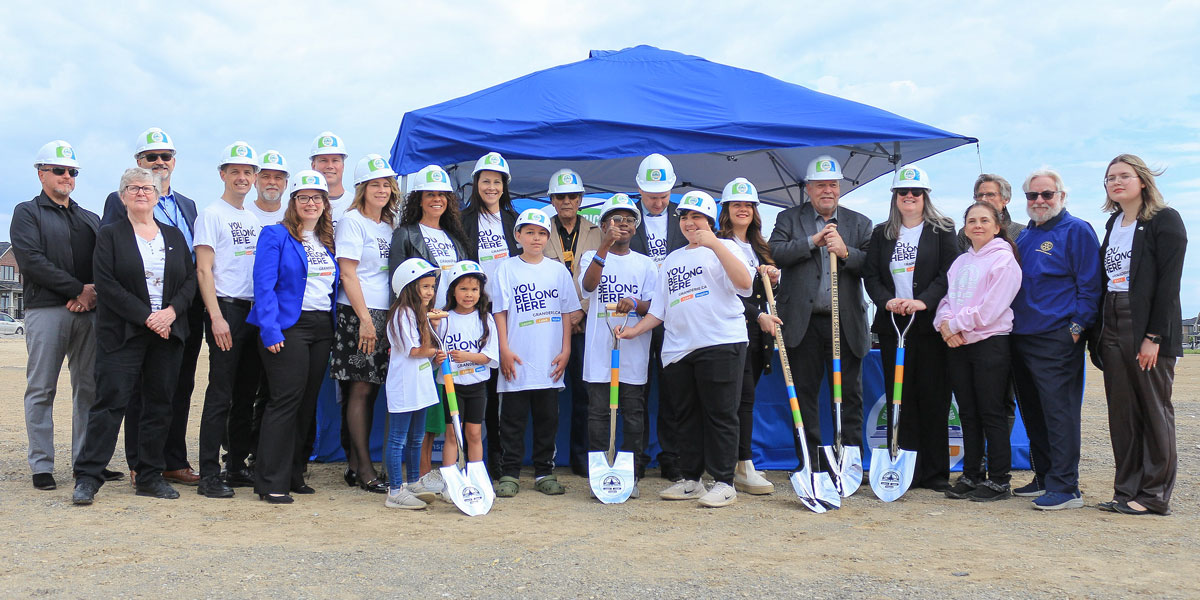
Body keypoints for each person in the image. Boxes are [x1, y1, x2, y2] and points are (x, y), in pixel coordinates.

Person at [617, 191, 753, 508]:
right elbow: (660, 310)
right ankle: (692, 479)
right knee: (686, 417)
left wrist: (715, 244)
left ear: (709, 220)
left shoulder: (727, 247)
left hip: (720, 342)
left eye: (697, 217)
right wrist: (634, 330)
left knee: (720, 415)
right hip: (678, 349)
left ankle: (724, 481)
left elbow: (745, 284)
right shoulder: (673, 259)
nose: (690, 223)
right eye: (685, 217)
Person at [71, 167, 196, 504]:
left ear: (157, 195)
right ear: (122, 195)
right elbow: (107, 284)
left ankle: (149, 475)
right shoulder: (110, 234)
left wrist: (170, 313)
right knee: (110, 403)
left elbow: (190, 280)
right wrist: (147, 317)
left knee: (159, 405)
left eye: (147, 188)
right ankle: (88, 476)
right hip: (124, 333)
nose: (141, 193)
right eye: (133, 188)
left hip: (167, 333)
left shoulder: (173, 236)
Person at [100, 128, 202, 486]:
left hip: (183, 309)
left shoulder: (187, 205)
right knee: (139, 392)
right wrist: (147, 314)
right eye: (151, 157)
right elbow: (114, 258)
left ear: (174, 161)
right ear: (138, 162)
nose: (160, 163)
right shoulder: (122, 201)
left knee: (177, 387)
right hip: (140, 314)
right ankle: (140, 464)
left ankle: (172, 460)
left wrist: (176, 308)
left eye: (166, 156)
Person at [11, 140, 113, 491]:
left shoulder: (90, 218)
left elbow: (106, 260)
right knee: (42, 388)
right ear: (42, 173)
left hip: (89, 313)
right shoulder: (27, 212)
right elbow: (31, 261)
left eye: (72, 171)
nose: (67, 176)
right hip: (47, 312)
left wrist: (94, 292)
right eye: (59, 170)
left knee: (89, 389)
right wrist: (77, 290)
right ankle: (42, 465)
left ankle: (85, 463)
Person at [767, 155, 872, 474]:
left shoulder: (859, 223)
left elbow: (871, 264)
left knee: (849, 395)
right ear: (808, 189)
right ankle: (810, 464)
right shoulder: (788, 219)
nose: (827, 190)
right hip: (803, 323)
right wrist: (813, 242)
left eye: (833, 185)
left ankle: (850, 461)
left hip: (845, 322)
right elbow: (776, 253)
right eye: (820, 185)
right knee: (804, 395)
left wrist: (845, 252)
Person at [1095, 154, 1186, 516]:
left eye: (1124, 176)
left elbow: (1169, 285)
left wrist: (1155, 336)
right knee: (1123, 412)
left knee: (1153, 408)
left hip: (1146, 322)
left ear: (1142, 181)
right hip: (1112, 319)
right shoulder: (1112, 223)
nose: (1116, 182)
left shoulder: (1165, 221)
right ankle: (1126, 490)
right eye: (1110, 178)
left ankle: (1153, 495)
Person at [1010, 168, 1101, 511]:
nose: (1039, 201)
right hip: (1021, 335)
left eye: (1047, 194)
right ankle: (1045, 475)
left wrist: (1077, 328)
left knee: (1059, 412)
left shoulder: (1076, 230)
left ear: (1062, 196)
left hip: (1056, 336)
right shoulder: (1024, 236)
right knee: (1033, 411)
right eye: (1033, 196)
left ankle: (1067, 487)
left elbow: (1090, 284)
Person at [864, 165, 959, 492]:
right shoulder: (882, 233)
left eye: (915, 192)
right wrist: (886, 300)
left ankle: (934, 473)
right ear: (895, 197)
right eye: (902, 192)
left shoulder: (943, 229)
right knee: (899, 397)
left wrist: (924, 301)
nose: (909, 197)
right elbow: (871, 275)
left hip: (929, 324)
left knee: (934, 396)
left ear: (925, 196)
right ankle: (907, 467)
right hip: (894, 324)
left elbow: (949, 272)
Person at [247, 170, 339, 504]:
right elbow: (264, 285)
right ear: (293, 202)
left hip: (321, 327)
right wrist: (270, 329)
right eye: (304, 197)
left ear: (325, 203)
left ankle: (294, 473)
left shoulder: (327, 240)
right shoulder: (275, 235)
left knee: (306, 403)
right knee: (284, 401)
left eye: (317, 198)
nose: (311, 203)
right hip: (288, 327)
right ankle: (270, 480)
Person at [389, 164, 468, 497]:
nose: (437, 199)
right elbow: (399, 284)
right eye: (430, 194)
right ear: (418, 199)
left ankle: (419, 480)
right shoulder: (406, 233)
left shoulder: (454, 236)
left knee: (432, 405)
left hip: (449, 325)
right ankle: (407, 479)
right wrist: (424, 320)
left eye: (442, 194)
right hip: (422, 328)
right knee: (414, 410)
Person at [934, 202, 1022, 501]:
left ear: (997, 226)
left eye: (985, 220)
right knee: (968, 413)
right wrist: (944, 326)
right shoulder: (960, 263)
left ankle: (999, 479)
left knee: (991, 412)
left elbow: (991, 308)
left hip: (990, 343)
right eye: (972, 221)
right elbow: (947, 300)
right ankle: (972, 474)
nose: (978, 225)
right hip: (958, 345)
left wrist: (957, 325)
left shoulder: (1004, 261)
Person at [492, 209, 583, 497]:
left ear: (549, 237)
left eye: (542, 233)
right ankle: (510, 473)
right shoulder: (506, 269)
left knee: (547, 421)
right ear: (517, 236)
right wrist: (503, 349)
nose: (536, 238)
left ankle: (545, 471)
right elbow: (500, 313)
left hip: (550, 361)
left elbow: (569, 314)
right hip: (517, 360)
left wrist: (566, 350)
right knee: (512, 422)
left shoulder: (558, 271)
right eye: (529, 232)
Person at [193, 141, 263, 499]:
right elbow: (204, 270)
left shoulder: (251, 218)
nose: (241, 177)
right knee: (220, 393)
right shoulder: (211, 214)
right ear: (222, 174)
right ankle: (209, 473)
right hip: (226, 309)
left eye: (247, 171)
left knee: (246, 393)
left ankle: (235, 465)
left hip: (253, 311)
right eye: (234, 171)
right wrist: (216, 316)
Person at [578, 194, 657, 498]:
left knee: (634, 413)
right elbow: (588, 286)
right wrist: (604, 246)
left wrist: (636, 302)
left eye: (628, 220)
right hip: (599, 349)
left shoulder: (646, 264)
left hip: (634, 350)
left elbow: (654, 304)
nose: (622, 225)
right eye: (616, 220)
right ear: (603, 225)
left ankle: (631, 475)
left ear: (636, 227)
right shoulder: (592, 255)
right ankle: (599, 473)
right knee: (598, 412)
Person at [331, 154, 400, 493]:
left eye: (386, 184)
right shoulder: (352, 221)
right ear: (362, 188)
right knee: (359, 389)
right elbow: (347, 273)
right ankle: (363, 469)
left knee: (370, 390)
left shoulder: (388, 225)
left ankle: (358, 464)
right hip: (360, 313)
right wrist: (364, 321)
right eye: (375, 184)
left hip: (384, 312)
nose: (382, 189)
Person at [716, 178, 781, 495]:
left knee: (746, 399)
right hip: (727, 330)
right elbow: (722, 292)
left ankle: (742, 463)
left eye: (748, 205)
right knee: (730, 401)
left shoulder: (761, 247)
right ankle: (732, 463)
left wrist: (774, 277)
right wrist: (758, 315)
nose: (743, 210)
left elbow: (767, 294)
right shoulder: (717, 244)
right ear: (726, 210)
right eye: (736, 204)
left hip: (758, 335)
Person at [460, 151, 521, 476]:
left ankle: (502, 455)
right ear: (476, 184)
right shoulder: (464, 219)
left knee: (505, 386)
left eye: (497, 182)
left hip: (513, 314)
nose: (491, 187)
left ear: (504, 186)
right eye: (486, 181)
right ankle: (479, 457)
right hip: (478, 313)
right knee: (480, 385)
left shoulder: (514, 220)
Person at [628, 153, 688, 481]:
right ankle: (635, 458)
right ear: (639, 189)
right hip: (637, 314)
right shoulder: (624, 218)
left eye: (663, 196)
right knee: (635, 389)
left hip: (675, 319)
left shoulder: (684, 217)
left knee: (674, 390)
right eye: (652, 196)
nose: (657, 202)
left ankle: (672, 458)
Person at [541, 168, 603, 478]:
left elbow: (604, 277)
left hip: (585, 323)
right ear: (551, 200)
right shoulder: (537, 229)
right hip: (548, 323)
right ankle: (543, 461)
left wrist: (581, 310)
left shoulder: (597, 232)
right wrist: (566, 314)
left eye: (572, 196)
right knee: (544, 393)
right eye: (560, 196)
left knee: (585, 393)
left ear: (581, 199)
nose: (567, 201)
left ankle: (582, 459)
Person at [383, 258, 443, 509]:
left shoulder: (421, 313)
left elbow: (428, 347)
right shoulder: (402, 313)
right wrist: (434, 351)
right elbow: (414, 350)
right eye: (425, 286)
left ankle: (413, 482)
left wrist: (435, 328)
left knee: (417, 437)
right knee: (398, 438)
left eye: (432, 287)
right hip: (405, 383)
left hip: (421, 382)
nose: (430, 292)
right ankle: (395, 490)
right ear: (409, 287)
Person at [438, 261, 500, 465]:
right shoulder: (443, 319)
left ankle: (476, 476)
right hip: (451, 387)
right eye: (463, 289)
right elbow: (434, 352)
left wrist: (467, 356)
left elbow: (489, 356)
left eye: (474, 289)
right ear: (453, 291)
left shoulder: (486, 319)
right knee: (453, 433)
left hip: (477, 386)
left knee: (474, 433)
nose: (469, 294)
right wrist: (436, 356)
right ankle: (450, 479)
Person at [957, 174, 1024, 249]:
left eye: (990, 195)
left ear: (1006, 199)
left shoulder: (1021, 233)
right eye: (980, 195)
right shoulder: (965, 234)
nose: (984, 199)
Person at [309, 131, 352, 227]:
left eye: (335, 160)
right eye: (323, 160)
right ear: (313, 165)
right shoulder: (302, 206)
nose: (330, 166)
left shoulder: (356, 205)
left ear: (343, 166)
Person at [247, 150, 289, 225]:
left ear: (286, 183)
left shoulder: (293, 217)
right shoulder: (243, 214)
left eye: (278, 177)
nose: (272, 182)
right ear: (255, 181)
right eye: (266, 177)